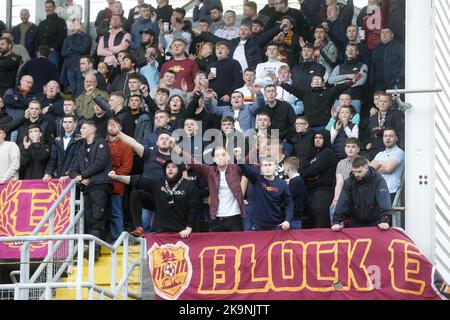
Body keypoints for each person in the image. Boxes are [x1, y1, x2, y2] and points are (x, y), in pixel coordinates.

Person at [60, 120, 113, 260]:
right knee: (89, 218)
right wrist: (79, 177)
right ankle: (92, 248)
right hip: (87, 187)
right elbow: (72, 169)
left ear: (91, 130)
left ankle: (95, 249)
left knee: (97, 217)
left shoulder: (102, 144)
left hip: (100, 185)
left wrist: (82, 175)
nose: (80, 130)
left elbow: (99, 164)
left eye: (83, 128)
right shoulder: (81, 148)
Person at [110, 158, 200, 238]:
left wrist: (188, 229)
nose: (170, 169)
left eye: (173, 167)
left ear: (179, 170)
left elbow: (193, 209)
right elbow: (138, 180)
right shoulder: (159, 182)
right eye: (168, 167)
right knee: (136, 193)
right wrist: (117, 177)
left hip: (182, 232)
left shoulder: (189, 186)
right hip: (162, 231)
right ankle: (139, 228)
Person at [173, 142, 245, 232]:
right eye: (217, 155)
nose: (220, 157)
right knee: (217, 246)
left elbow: (246, 168)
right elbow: (193, 163)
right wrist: (175, 146)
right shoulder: (210, 171)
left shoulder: (236, 169)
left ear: (228, 157)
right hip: (216, 217)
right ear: (214, 159)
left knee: (236, 245)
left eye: (223, 155)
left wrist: (239, 157)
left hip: (235, 216)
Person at [234, 148, 293, 231]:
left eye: (270, 165)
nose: (267, 168)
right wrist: (239, 157)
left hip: (276, 225)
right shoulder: (257, 179)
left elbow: (289, 204)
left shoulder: (282, 184)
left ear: (275, 167)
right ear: (261, 168)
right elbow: (244, 168)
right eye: (265, 165)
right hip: (259, 226)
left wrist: (287, 220)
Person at [331, 156, 392, 231]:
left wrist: (384, 220)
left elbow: (384, 200)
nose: (356, 175)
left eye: (359, 171)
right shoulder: (349, 181)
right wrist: (336, 221)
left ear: (366, 168)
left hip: (376, 222)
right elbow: (343, 201)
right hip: (355, 222)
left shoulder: (378, 180)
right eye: (354, 171)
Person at [302, 131, 337, 228]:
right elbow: (304, 170)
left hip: (323, 193)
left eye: (320, 138)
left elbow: (311, 171)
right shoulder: (312, 154)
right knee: (311, 224)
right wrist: (308, 174)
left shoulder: (327, 153)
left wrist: (308, 174)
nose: (317, 140)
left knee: (321, 224)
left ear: (325, 139)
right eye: (315, 137)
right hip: (312, 192)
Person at [105, 118, 133, 242]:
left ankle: (118, 240)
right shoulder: (101, 142)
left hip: (116, 184)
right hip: (101, 185)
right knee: (101, 213)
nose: (111, 127)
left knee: (116, 212)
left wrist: (114, 175)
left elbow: (127, 167)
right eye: (109, 125)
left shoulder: (125, 145)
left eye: (114, 125)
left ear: (120, 127)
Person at [328, 43, 368, 113]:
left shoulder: (363, 66)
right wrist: (347, 76)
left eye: (353, 49)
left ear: (357, 52)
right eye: (348, 49)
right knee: (336, 120)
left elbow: (361, 81)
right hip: (339, 99)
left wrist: (339, 83)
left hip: (354, 98)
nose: (350, 51)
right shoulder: (338, 67)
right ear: (346, 52)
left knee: (353, 122)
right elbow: (330, 80)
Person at [366, 92, 404, 159]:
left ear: (390, 103)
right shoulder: (372, 118)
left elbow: (401, 133)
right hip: (375, 152)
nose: (382, 103)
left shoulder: (397, 114)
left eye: (385, 101)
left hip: (391, 151)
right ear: (377, 102)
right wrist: (367, 142)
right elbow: (367, 134)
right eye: (380, 101)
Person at [370, 128, 405, 202]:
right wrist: (379, 166)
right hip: (377, 190)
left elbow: (388, 169)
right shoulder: (379, 154)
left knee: (388, 213)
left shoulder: (399, 152)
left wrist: (377, 165)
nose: (388, 138)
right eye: (385, 136)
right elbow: (369, 170)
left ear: (396, 138)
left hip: (391, 191)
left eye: (391, 136)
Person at [330, 137, 361, 221]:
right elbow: (339, 183)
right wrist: (336, 199)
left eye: (353, 147)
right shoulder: (341, 163)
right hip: (346, 194)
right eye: (348, 146)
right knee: (333, 207)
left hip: (360, 195)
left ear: (358, 149)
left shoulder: (364, 162)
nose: (350, 149)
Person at [43, 114, 80, 181]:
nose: (67, 124)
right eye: (65, 122)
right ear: (62, 124)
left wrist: (69, 174)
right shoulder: (57, 140)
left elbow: (77, 160)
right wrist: (48, 173)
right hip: (58, 176)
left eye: (70, 122)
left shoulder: (80, 140)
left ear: (75, 124)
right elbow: (52, 160)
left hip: (72, 177)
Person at [60, 20, 92, 94]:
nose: (73, 28)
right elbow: (63, 52)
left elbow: (83, 50)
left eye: (75, 25)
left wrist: (70, 47)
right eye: (71, 26)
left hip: (82, 67)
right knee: (73, 89)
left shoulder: (87, 37)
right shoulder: (68, 38)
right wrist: (76, 50)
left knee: (81, 88)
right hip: (69, 67)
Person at [36, 0, 68, 72]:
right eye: (46, 7)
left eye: (50, 7)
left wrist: (54, 48)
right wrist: (38, 50)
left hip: (53, 51)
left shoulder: (61, 21)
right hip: (42, 52)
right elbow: (38, 38)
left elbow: (62, 37)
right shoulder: (42, 23)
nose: (48, 9)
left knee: (53, 70)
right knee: (41, 71)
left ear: (54, 8)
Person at [371, 26, 405, 91]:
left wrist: (399, 78)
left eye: (387, 32)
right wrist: (372, 81)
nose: (384, 34)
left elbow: (405, 62)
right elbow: (373, 66)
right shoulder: (376, 49)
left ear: (392, 35)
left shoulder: (398, 47)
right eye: (382, 32)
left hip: (393, 84)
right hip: (378, 85)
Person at [284, 156, 308, 230]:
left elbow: (288, 198)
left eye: (284, 166)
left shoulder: (296, 181)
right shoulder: (295, 181)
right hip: (294, 217)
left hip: (294, 218)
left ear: (288, 167)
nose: (283, 169)